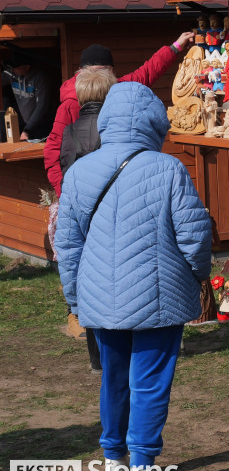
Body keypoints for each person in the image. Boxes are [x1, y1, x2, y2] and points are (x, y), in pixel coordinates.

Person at [52, 82, 212, 471]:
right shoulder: (168, 168)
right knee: (150, 382)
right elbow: (195, 236)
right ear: (153, 121)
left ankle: (112, 462)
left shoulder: (79, 172)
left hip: (100, 297)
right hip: (158, 297)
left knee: (114, 379)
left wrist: (74, 296)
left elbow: (66, 245)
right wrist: (199, 276)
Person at [45, 34, 194, 195]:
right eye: (95, 73)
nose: (99, 78)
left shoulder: (118, 88)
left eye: (104, 72)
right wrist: (64, 191)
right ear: (80, 73)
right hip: (84, 185)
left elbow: (147, 72)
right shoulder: (70, 105)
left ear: (111, 72)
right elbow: (52, 150)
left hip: (115, 182)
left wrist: (175, 47)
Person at [58, 66, 118, 375]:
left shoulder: (69, 132)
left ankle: (97, 357)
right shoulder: (116, 131)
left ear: (81, 96)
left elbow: (66, 173)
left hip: (83, 214)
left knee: (88, 280)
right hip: (114, 212)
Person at [2, 49, 56, 140]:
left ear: (27, 67)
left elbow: (42, 106)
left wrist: (27, 130)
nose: (12, 69)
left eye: (16, 67)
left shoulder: (40, 78)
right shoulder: (12, 74)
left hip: (41, 125)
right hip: (26, 124)